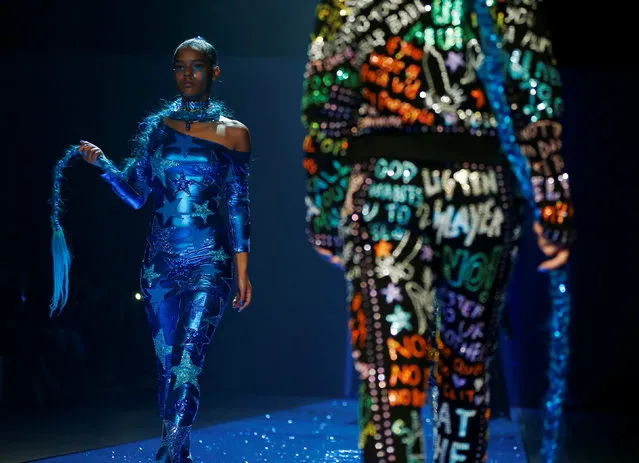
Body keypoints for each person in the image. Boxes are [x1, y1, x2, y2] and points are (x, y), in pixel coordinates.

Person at [301, 1, 574, 462]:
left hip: (387, 186)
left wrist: (325, 207)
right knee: (465, 368)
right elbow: (533, 86)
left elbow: (328, 92)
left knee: (391, 371)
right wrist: (553, 203)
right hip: (479, 188)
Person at [51, 36, 253, 463]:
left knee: (186, 362)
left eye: (197, 66)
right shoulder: (158, 131)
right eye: (179, 66)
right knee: (167, 368)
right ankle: (180, 455)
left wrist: (242, 270)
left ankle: (167, 456)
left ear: (214, 72)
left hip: (209, 263)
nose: (187, 74)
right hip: (158, 265)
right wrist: (104, 165)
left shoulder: (234, 134)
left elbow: (237, 202)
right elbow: (137, 195)